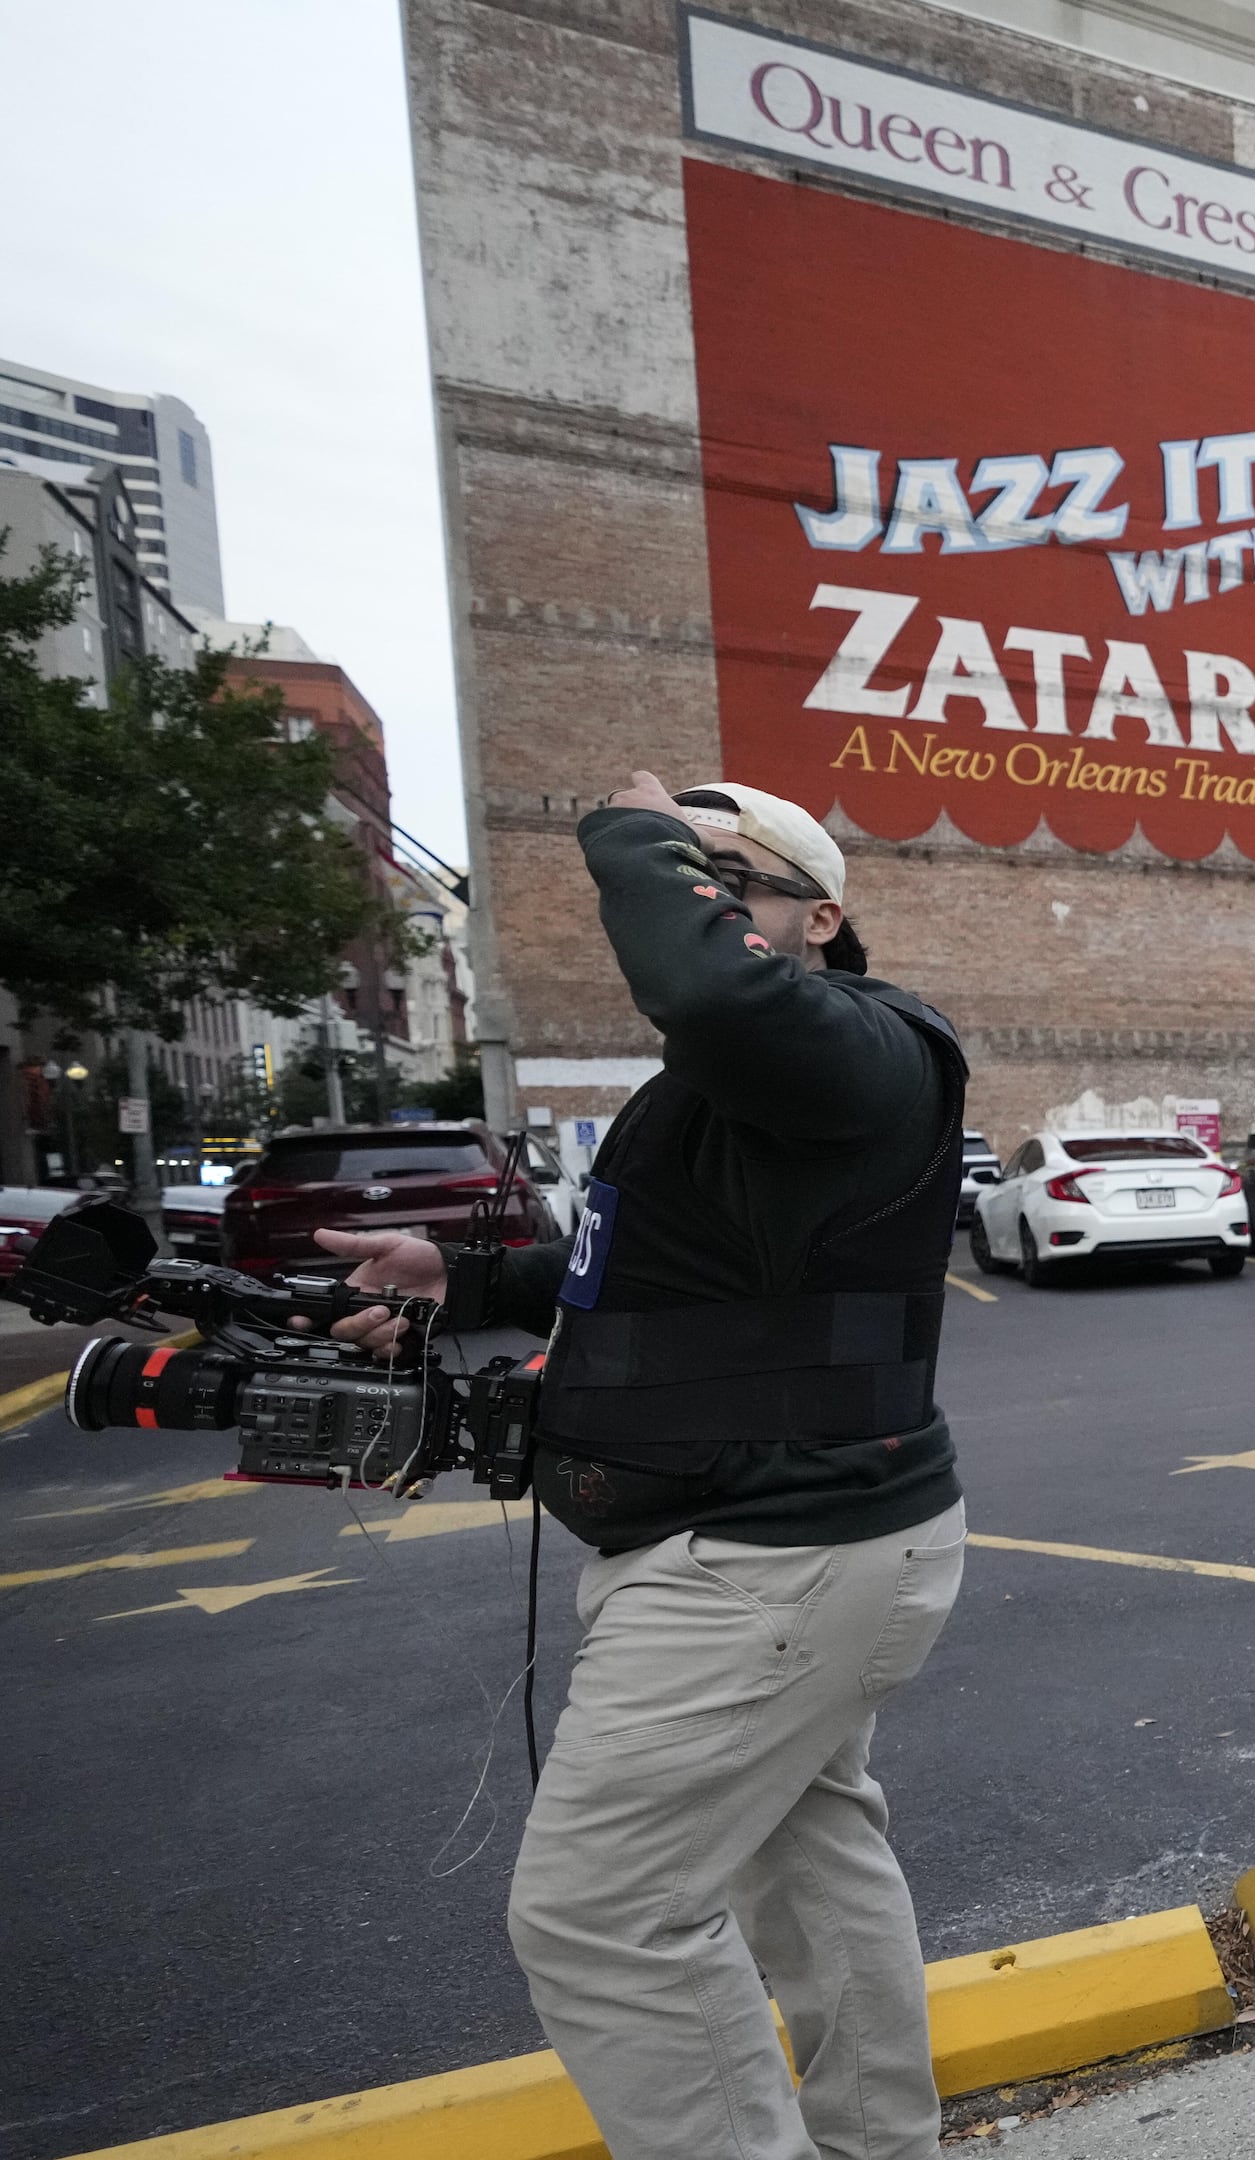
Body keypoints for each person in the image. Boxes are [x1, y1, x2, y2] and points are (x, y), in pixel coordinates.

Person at [324, 773, 970, 2160]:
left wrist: (630, 830)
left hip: (764, 1566)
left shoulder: (864, 1044)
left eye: (730, 881)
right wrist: (474, 1276)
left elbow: (720, 994)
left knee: (599, 1914)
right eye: (690, 876)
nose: (700, 899)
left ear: (822, 919)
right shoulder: (739, 1098)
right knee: (810, 1863)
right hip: (782, 1554)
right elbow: (655, 1275)